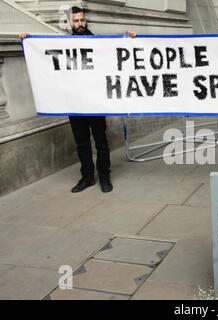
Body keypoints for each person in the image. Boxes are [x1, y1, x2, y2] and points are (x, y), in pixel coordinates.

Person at [20, 6, 137, 193]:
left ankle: (104, 178)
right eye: (76, 21)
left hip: (96, 103)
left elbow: (115, 50)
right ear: (69, 23)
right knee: (81, 143)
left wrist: (128, 38)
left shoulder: (98, 42)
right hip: (74, 104)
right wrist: (29, 41)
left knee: (101, 142)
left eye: (82, 20)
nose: (80, 24)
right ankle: (87, 177)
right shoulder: (64, 45)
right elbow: (45, 57)